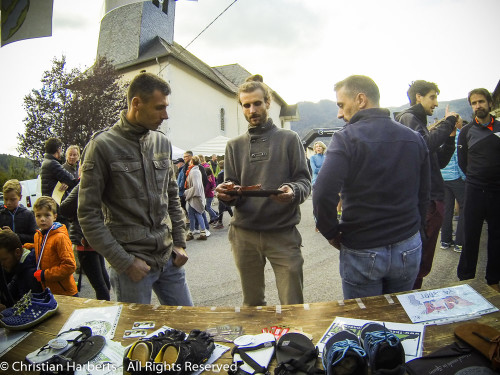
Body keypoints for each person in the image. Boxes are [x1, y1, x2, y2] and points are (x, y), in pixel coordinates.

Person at [78, 72, 192, 306]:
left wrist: (180, 242)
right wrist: (124, 262)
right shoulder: (101, 146)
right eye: (159, 108)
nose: (165, 115)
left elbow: (172, 197)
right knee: (136, 337)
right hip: (132, 265)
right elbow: (87, 215)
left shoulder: (162, 142)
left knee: (189, 329)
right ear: (136, 104)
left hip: (168, 257)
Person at [313, 75, 430, 299]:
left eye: (341, 104)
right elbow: (424, 193)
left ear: (360, 99)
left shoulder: (346, 138)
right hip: (408, 244)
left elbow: (322, 193)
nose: (339, 113)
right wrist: (417, 230)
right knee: (400, 319)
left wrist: (331, 233)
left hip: (362, 249)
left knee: (365, 323)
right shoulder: (414, 138)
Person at [216, 74, 311, 306]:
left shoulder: (289, 138)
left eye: (257, 103)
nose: (252, 110)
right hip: (244, 235)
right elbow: (232, 184)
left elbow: (304, 181)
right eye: (246, 105)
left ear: (268, 103)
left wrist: (292, 190)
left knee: (293, 305)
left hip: (282, 233)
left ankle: (292, 342)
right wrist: (227, 193)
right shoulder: (234, 145)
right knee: (252, 305)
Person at [394, 80, 458, 289]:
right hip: (427, 199)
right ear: (418, 97)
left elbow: (437, 161)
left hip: (433, 196)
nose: (436, 103)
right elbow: (425, 144)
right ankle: (410, 298)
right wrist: (448, 122)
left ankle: (412, 295)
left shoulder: (418, 121)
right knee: (419, 257)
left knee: (424, 255)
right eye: (432, 97)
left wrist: (449, 138)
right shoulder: (408, 117)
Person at [457, 88, 500, 291]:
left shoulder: (499, 127)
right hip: (474, 191)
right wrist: (476, 178)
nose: (477, 106)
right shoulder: (465, 132)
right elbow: (463, 162)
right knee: (470, 236)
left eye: (481, 102)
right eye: (474, 103)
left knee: (497, 237)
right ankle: (466, 280)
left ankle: (493, 280)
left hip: (497, 191)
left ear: (490, 103)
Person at [60, 178, 111, 301]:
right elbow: (65, 208)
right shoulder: (94, 181)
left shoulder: (92, 181)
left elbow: (65, 209)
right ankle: (106, 314)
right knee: (102, 284)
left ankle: (106, 314)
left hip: (90, 239)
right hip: (92, 239)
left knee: (103, 284)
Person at [24, 196, 78, 296]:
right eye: (38, 215)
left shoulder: (60, 237)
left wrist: (44, 275)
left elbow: (70, 266)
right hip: (48, 291)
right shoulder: (38, 235)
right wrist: (31, 246)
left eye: (47, 215)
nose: (42, 219)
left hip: (65, 292)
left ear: (55, 216)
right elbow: (47, 249)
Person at [438, 117, 466, 253]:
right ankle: (460, 243)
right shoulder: (459, 135)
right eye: (459, 120)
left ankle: (445, 240)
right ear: (457, 123)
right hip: (456, 177)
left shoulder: (442, 136)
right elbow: (459, 159)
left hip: (443, 178)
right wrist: (464, 177)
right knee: (464, 207)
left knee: (447, 209)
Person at [0, 230, 42, 306]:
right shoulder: (21, 265)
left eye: (3, 259)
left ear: (17, 252)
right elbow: (9, 292)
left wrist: (7, 309)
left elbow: (32, 308)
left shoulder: (31, 273)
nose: (1, 264)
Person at [0, 179, 37, 244]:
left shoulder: (28, 215)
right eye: (6, 199)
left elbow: (34, 237)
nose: (8, 203)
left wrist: (14, 235)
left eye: (12, 199)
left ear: (20, 197)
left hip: (24, 251)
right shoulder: (1, 215)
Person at [185, 156, 208, 241]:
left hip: (195, 196)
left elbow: (196, 187)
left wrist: (187, 192)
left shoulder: (194, 171)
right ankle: (193, 232)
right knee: (192, 214)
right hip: (196, 196)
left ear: (192, 162)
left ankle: (201, 233)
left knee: (198, 213)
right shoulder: (195, 170)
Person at [214, 160, 232, 229]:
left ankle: (220, 222)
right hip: (228, 191)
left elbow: (219, 185)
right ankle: (233, 219)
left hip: (222, 192)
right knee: (228, 207)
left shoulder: (220, 174)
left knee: (221, 208)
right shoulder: (228, 173)